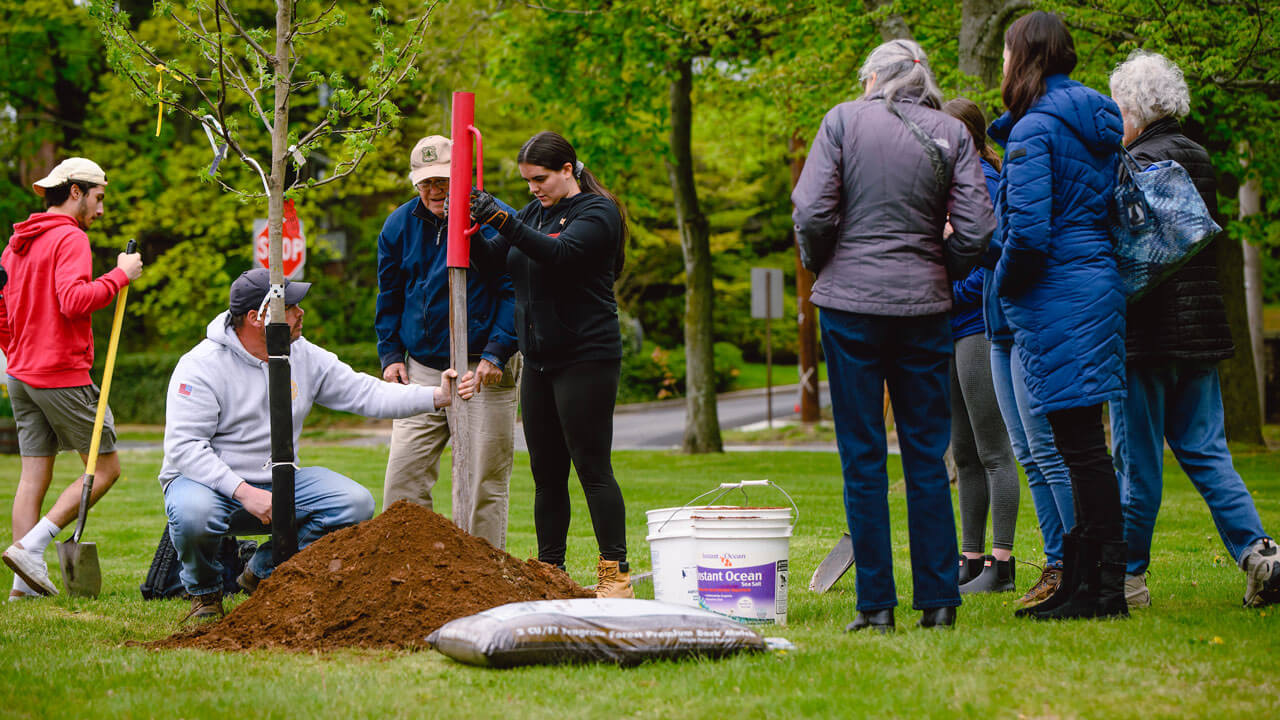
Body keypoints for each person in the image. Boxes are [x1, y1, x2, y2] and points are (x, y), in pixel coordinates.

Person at [792, 40, 995, 632]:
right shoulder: (952, 134)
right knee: (928, 454)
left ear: (875, 76)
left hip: (849, 310)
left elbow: (811, 213)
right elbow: (979, 227)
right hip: (925, 308)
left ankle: (876, 605)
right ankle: (937, 601)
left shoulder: (841, 122)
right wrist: (945, 267)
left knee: (862, 455)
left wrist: (825, 262)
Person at [160, 269, 455, 620]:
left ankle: (260, 573)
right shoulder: (201, 366)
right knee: (194, 515)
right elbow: (185, 448)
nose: (301, 313)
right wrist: (244, 492)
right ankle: (205, 593)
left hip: (280, 481)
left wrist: (435, 396)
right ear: (257, 318)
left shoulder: (302, 354)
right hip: (209, 484)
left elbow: (364, 392)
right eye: (292, 306)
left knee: (354, 503)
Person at [1107, 50, 1279, 609]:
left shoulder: (1131, 162)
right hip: (1200, 333)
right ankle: (1260, 555)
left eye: (1118, 105)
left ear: (1133, 108)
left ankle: (1129, 578)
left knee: (1137, 463)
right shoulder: (1198, 156)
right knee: (1208, 452)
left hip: (1145, 336)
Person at [989, 11, 1127, 621]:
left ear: (1025, 56)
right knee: (1082, 447)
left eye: (1006, 53)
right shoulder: (1093, 119)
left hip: (1058, 292)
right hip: (1093, 281)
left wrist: (1002, 284)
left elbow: (1030, 233)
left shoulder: (1033, 131)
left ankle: (1101, 592)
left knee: (1080, 450)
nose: (1001, 65)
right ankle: (1086, 583)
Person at [465, 131, 632, 598]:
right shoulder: (534, 212)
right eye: (526, 182)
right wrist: (470, 226)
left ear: (566, 170)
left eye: (540, 179)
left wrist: (501, 217)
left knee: (592, 469)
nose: (533, 189)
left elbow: (558, 254)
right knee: (547, 475)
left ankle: (615, 575)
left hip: (586, 357)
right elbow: (495, 262)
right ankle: (550, 573)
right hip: (537, 360)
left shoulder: (597, 213)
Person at [1, 158, 143, 600]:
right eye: (98, 198)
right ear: (76, 191)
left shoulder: (16, 244)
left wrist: (17, 352)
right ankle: (31, 548)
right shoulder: (69, 238)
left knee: (32, 476)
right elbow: (74, 301)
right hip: (58, 372)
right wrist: (121, 276)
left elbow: (1, 312)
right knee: (104, 467)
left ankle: (22, 588)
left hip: (20, 374)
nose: (101, 211)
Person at [376, 135, 520, 549]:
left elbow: (514, 292)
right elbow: (390, 295)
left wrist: (496, 354)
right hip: (423, 368)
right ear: (414, 183)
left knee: (482, 484)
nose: (435, 191)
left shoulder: (498, 220)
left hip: (484, 369)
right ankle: (409, 568)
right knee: (402, 479)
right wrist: (390, 354)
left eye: (443, 180)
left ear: (462, 176)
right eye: (426, 183)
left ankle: (483, 576)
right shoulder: (399, 225)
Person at [939, 98, 1020, 596]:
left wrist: (949, 295)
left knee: (993, 450)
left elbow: (990, 264)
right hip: (948, 328)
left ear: (967, 136)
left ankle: (1003, 565)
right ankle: (970, 558)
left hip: (976, 326)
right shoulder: (948, 187)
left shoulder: (986, 183)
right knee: (963, 453)